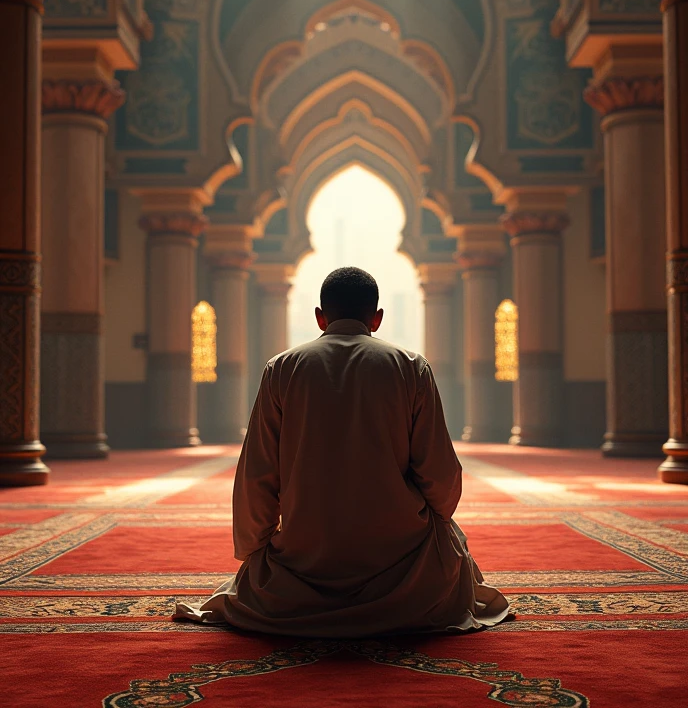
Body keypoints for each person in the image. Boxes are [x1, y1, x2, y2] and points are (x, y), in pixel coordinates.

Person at [175, 266, 509, 636]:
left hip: (307, 553)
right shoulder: (411, 368)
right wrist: (438, 525)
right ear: (377, 319)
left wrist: (255, 553)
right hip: (400, 554)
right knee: (450, 544)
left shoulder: (283, 369)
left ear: (320, 318)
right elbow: (441, 475)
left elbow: (258, 473)